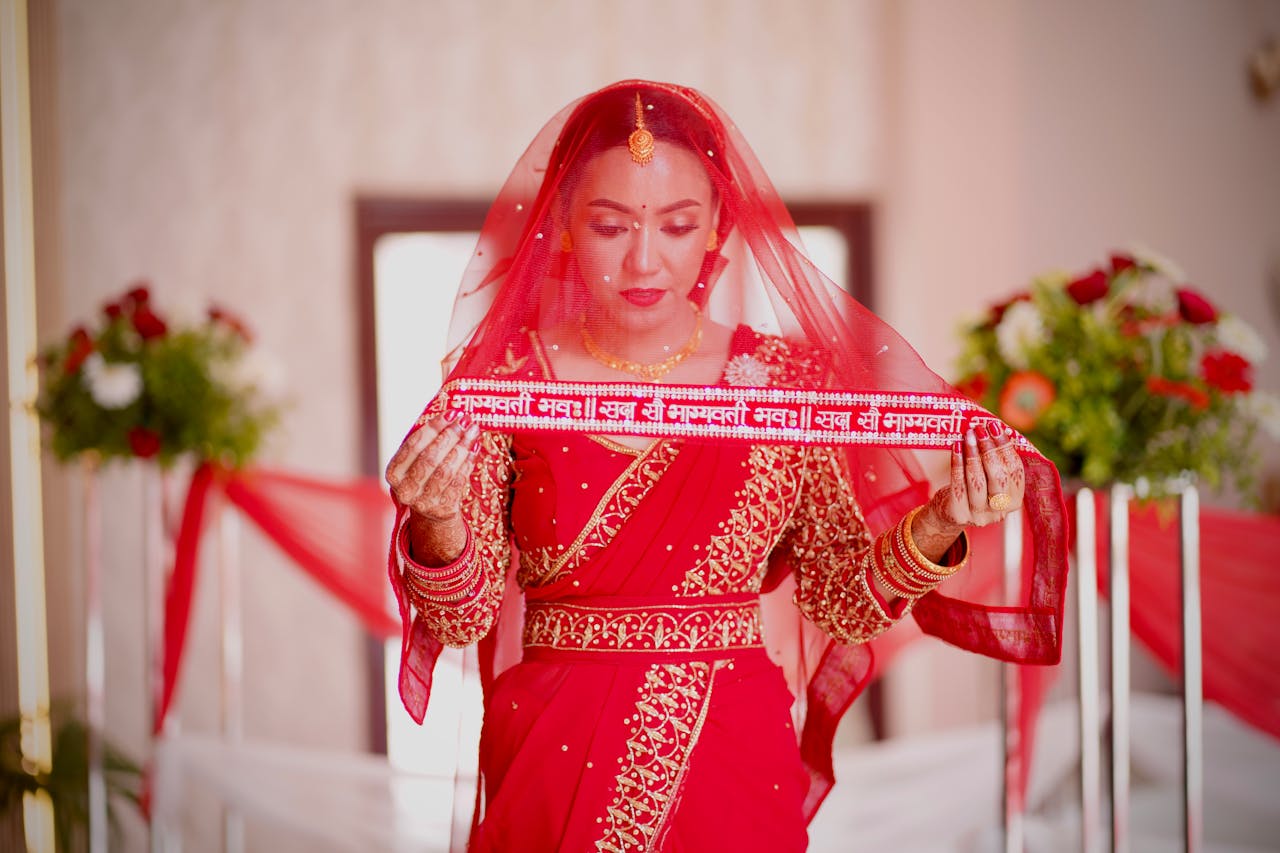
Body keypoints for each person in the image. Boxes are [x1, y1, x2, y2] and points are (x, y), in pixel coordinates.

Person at [384, 80, 1066, 852]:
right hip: (552, 753)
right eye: (610, 225)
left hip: (730, 758)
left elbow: (842, 602)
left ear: (717, 228)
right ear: (564, 226)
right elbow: (461, 618)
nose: (644, 260)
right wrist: (436, 518)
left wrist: (942, 519)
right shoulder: (509, 382)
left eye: (678, 225)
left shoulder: (786, 387)